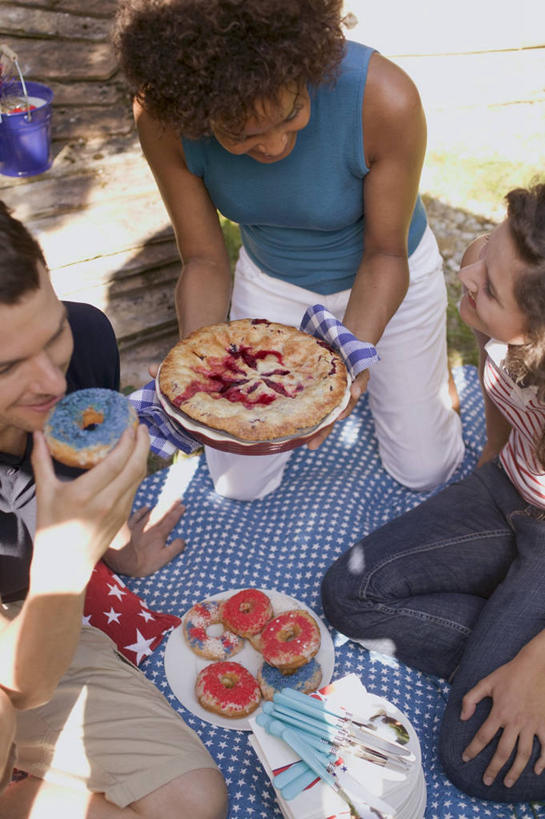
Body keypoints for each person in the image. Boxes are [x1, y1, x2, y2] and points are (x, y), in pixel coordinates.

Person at [113, 0, 464, 501]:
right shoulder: (163, 115)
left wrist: (345, 369)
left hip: (388, 272)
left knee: (424, 472)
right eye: (242, 135)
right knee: (238, 485)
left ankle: (426, 368)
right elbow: (205, 260)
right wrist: (198, 366)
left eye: (292, 113)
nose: (275, 146)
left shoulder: (384, 97)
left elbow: (385, 255)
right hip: (273, 281)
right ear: (195, 113)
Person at [0, 202, 228, 818]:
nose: (52, 382)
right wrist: (68, 561)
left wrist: (114, 541)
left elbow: (85, 462)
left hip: (41, 618)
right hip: (26, 649)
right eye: (5, 368)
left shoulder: (89, 341)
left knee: (193, 804)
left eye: (52, 335)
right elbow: (22, 684)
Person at [321, 183, 545, 803]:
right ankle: (508, 628)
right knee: (350, 593)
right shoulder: (491, 265)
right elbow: (496, 379)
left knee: (472, 757)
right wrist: (492, 457)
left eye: (490, 289)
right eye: (485, 254)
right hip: (511, 490)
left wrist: (536, 661)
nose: (465, 270)